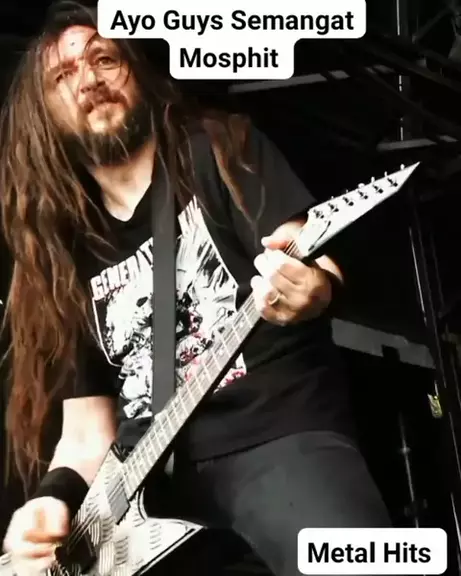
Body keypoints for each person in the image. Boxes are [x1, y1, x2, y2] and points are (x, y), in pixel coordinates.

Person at [0, 1, 391, 575]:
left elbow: (308, 252)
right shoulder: (65, 250)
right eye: (63, 75)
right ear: (43, 116)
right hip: (143, 492)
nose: (89, 79)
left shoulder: (220, 149)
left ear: (136, 69)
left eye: (104, 58)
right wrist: (49, 501)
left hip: (275, 434)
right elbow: (86, 434)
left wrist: (316, 286)